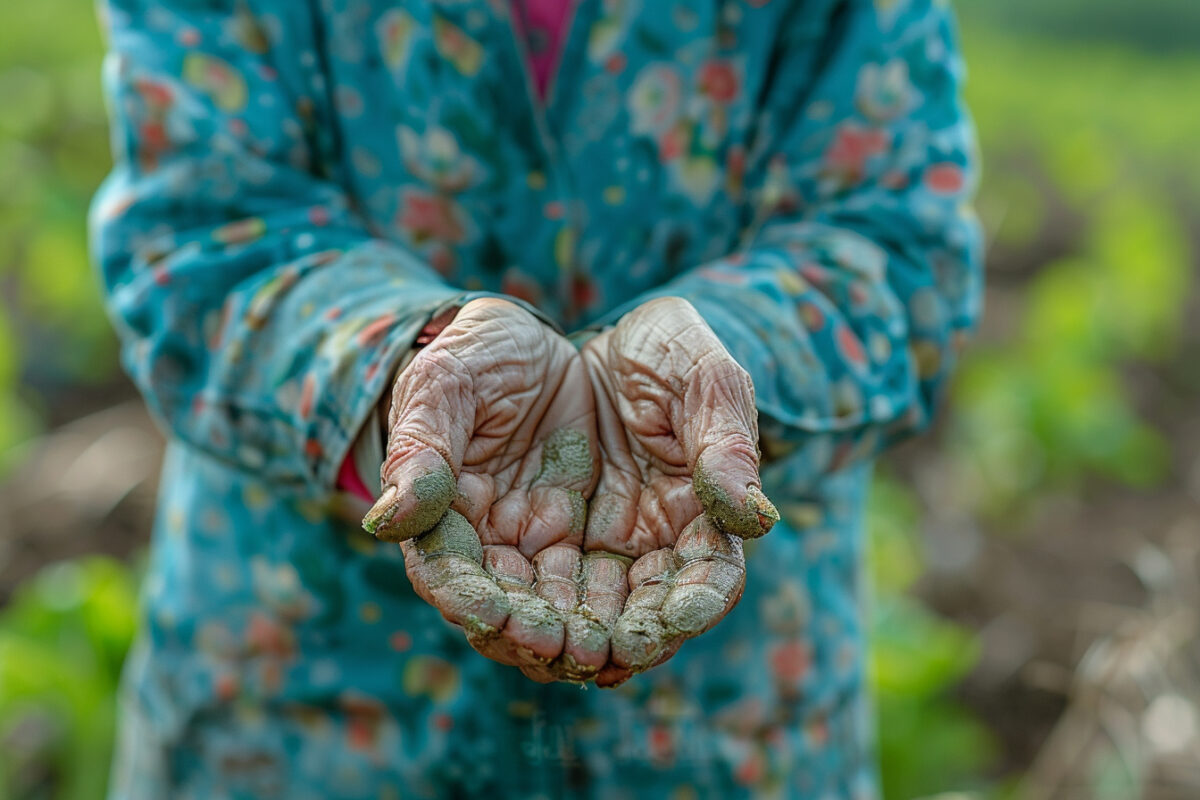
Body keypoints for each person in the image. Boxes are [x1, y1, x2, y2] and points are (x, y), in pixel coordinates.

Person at [91, 0, 981, 797]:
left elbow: (896, 246)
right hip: (297, 705)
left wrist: (728, 369)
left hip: (724, 724)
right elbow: (205, 227)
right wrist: (405, 377)